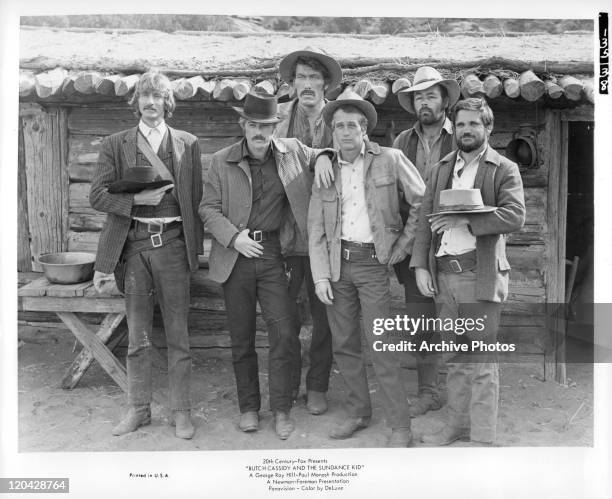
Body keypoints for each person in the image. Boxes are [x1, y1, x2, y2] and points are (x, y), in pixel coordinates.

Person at [199, 90, 332, 440]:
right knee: (241, 338)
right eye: (253, 125)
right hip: (235, 256)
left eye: (266, 126)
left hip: (274, 256)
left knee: (285, 335)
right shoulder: (221, 160)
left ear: (274, 127)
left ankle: (282, 410)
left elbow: (321, 152)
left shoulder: (291, 152)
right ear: (243, 125)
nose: (259, 132)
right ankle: (248, 409)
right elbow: (207, 209)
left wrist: (323, 159)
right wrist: (233, 237)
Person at [308, 89, 425, 447]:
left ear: (364, 130)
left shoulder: (390, 158)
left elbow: (421, 199)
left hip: (374, 265)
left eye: (352, 126)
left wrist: (401, 248)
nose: (345, 132)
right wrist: (319, 275)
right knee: (344, 344)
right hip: (337, 265)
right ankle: (359, 412)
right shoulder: (326, 169)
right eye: (339, 126)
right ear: (333, 132)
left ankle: (400, 426)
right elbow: (315, 226)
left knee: (382, 346)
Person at [90, 71, 204, 439]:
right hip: (135, 248)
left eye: (158, 96)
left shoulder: (188, 142)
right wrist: (136, 200)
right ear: (136, 101)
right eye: (145, 96)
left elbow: (197, 200)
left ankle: (181, 412)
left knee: (178, 335)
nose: (152, 103)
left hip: (172, 245)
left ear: (167, 102)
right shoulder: (116, 143)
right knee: (137, 337)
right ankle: (138, 409)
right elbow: (96, 197)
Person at [411, 97, 525, 445]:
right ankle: (457, 425)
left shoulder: (503, 168)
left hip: (480, 275)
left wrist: (466, 219)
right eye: (460, 124)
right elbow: (423, 220)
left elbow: (515, 215)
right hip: (444, 275)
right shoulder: (442, 168)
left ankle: (484, 435)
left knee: (481, 360)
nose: (467, 130)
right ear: (453, 128)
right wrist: (420, 266)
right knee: (455, 357)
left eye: (474, 124)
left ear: (488, 127)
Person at [274, 48, 342, 415]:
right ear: (292, 83)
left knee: (324, 321)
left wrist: (329, 152)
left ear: (326, 85)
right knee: (283, 321)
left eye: (315, 78)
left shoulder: (340, 120)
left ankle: (317, 386)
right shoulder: (279, 118)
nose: (308, 85)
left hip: (328, 240)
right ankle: (285, 389)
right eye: (301, 77)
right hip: (284, 239)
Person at [391, 66, 460, 417]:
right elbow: (392, 193)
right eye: (419, 97)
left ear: (445, 100)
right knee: (421, 323)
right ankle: (429, 391)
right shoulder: (403, 142)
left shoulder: (460, 135)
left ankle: (462, 395)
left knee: (458, 319)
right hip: (416, 244)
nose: (425, 103)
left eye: (431, 96)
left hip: (455, 242)